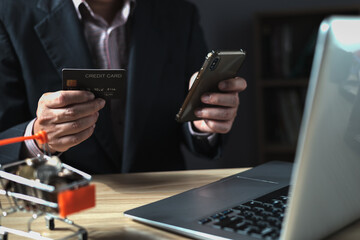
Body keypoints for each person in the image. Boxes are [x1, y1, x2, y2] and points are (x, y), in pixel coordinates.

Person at [0, 0, 247, 174]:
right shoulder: (10, 17)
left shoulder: (180, 15)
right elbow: (4, 141)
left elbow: (193, 117)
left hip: (163, 200)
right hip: (62, 204)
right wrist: (38, 137)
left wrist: (201, 122)